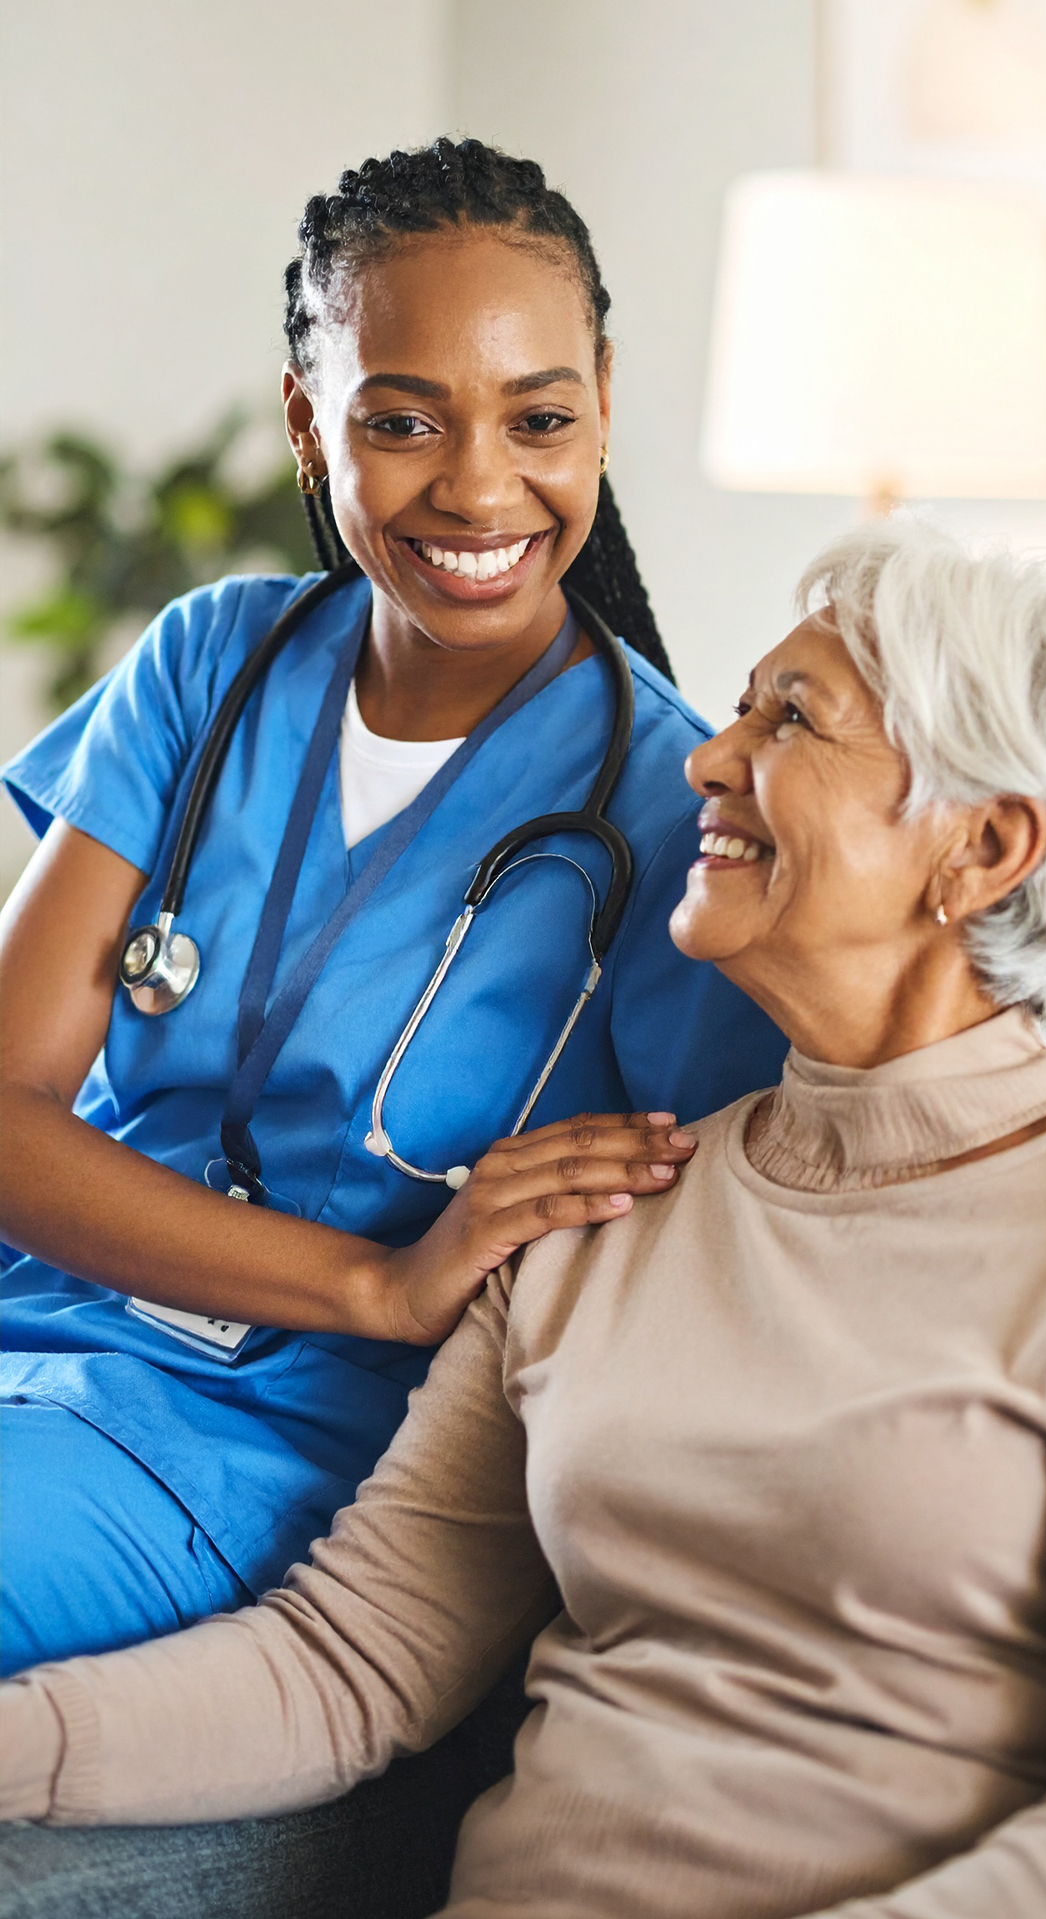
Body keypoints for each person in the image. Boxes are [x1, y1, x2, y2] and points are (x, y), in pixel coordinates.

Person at [5, 520, 1046, 1919]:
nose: (706, 754)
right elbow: (351, 1661)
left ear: (984, 846)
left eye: (792, 721)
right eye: (745, 703)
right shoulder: (602, 1205)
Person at [0, 137, 791, 1675]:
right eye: (403, 420)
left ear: (604, 409)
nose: (481, 486)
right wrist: (379, 1274)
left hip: (250, 1445)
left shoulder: (681, 816)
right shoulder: (208, 662)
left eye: (541, 418)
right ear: (309, 422)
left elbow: (782, 1205)